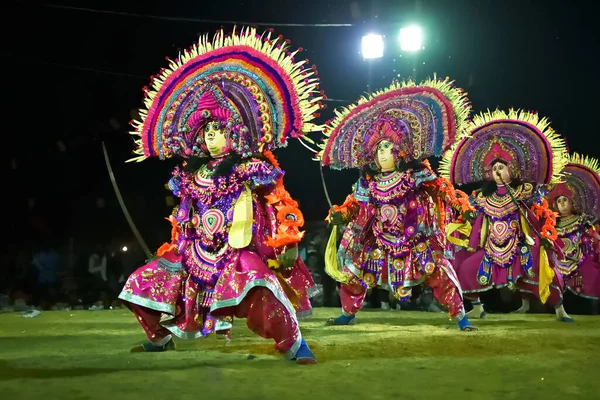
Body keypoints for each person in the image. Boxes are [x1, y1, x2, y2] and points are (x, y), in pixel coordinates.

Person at [118, 27, 323, 363]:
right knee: (139, 284)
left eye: (219, 130)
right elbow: (183, 217)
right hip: (194, 253)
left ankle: (294, 344)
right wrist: (177, 244)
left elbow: (282, 203)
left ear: (236, 130)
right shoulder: (190, 175)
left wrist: (288, 238)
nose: (212, 138)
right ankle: (159, 337)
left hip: (237, 250)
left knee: (261, 287)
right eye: (207, 132)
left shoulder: (252, 168)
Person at [319, 77, 477, 331]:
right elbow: (354, 206)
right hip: (379, 239)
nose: (383, 153)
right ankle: (347, 313)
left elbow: (444, 191)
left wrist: (464, 208)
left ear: (400, 150)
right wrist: (340, 214)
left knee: (440, 273)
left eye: (388, 147)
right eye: (379, 149)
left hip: (416, 239)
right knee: (353, 273)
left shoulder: (416, 175)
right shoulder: (369, 183)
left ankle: (461, 317)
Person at [439, 109, 573, 321]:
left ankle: (559, 310)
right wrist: (473, 243)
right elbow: (481, 220)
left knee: (541, 265)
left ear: (512, 170)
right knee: (464, 267)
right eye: (494, 169)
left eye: (502, 167)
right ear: (489, 173)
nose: (498, 172)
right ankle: (476, 307)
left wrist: (542, 236)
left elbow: (533, 212)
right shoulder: (483, 197)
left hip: (519, 244)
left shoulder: (524, 190)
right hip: (491, 247)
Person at [545, 153, 600, 310]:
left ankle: (591, 308)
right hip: (557, 263)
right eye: (559, 201)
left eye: (565, 200)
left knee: (591, 271)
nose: (562, 204)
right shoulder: (551, 224)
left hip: (581, 261)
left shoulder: (583, 221)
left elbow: (592, 244)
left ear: (572, 201)